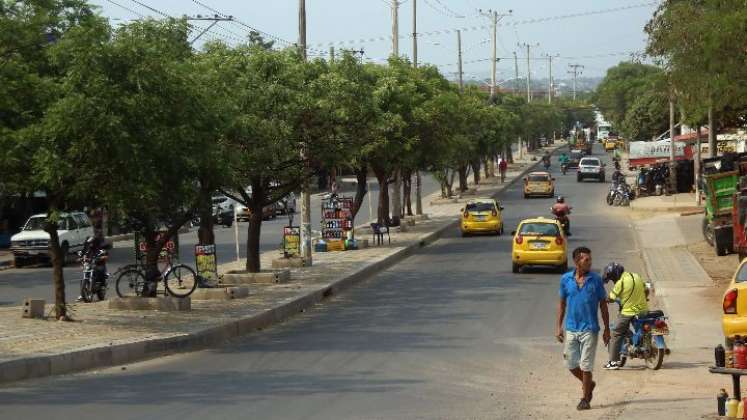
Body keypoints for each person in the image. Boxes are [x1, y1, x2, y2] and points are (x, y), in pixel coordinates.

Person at [556, 247, 611, 411]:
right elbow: (562, 304)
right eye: (586, 260)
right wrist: (558, 327)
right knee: (571, 364)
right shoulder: (566, 279)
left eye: (590, 260)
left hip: (590, 329)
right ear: (577, 262)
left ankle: (585, 399)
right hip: (572, 328)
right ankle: (589, 384)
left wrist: (607, 329)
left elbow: (603, 305)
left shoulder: (596, 280)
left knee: (586, 365)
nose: (590, 263)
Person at [602, 262, 649, 370]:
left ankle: (613, 362)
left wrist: (606, 299)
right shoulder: (636, 275)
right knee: (639, 327)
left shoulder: (621, 282)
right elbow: (646, 288)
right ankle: (637, 344)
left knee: (616, 332)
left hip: (628, 311)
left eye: (612, 279)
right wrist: (643, 297)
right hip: (643, 310)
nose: (613, 281)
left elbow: (611, 297)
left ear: (615, 276)